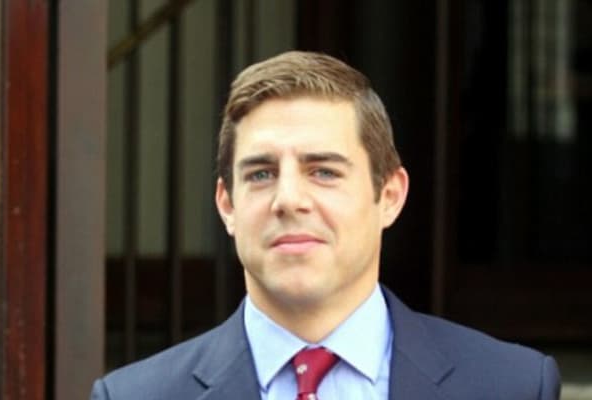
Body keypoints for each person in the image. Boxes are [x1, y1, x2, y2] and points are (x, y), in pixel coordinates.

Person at [91, 51, 561, 400]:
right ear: (227, 205)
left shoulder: (512, 385)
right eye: (261, 174)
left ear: (390, 196)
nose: (289, 200)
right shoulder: (134, 396)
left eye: (323, 171)